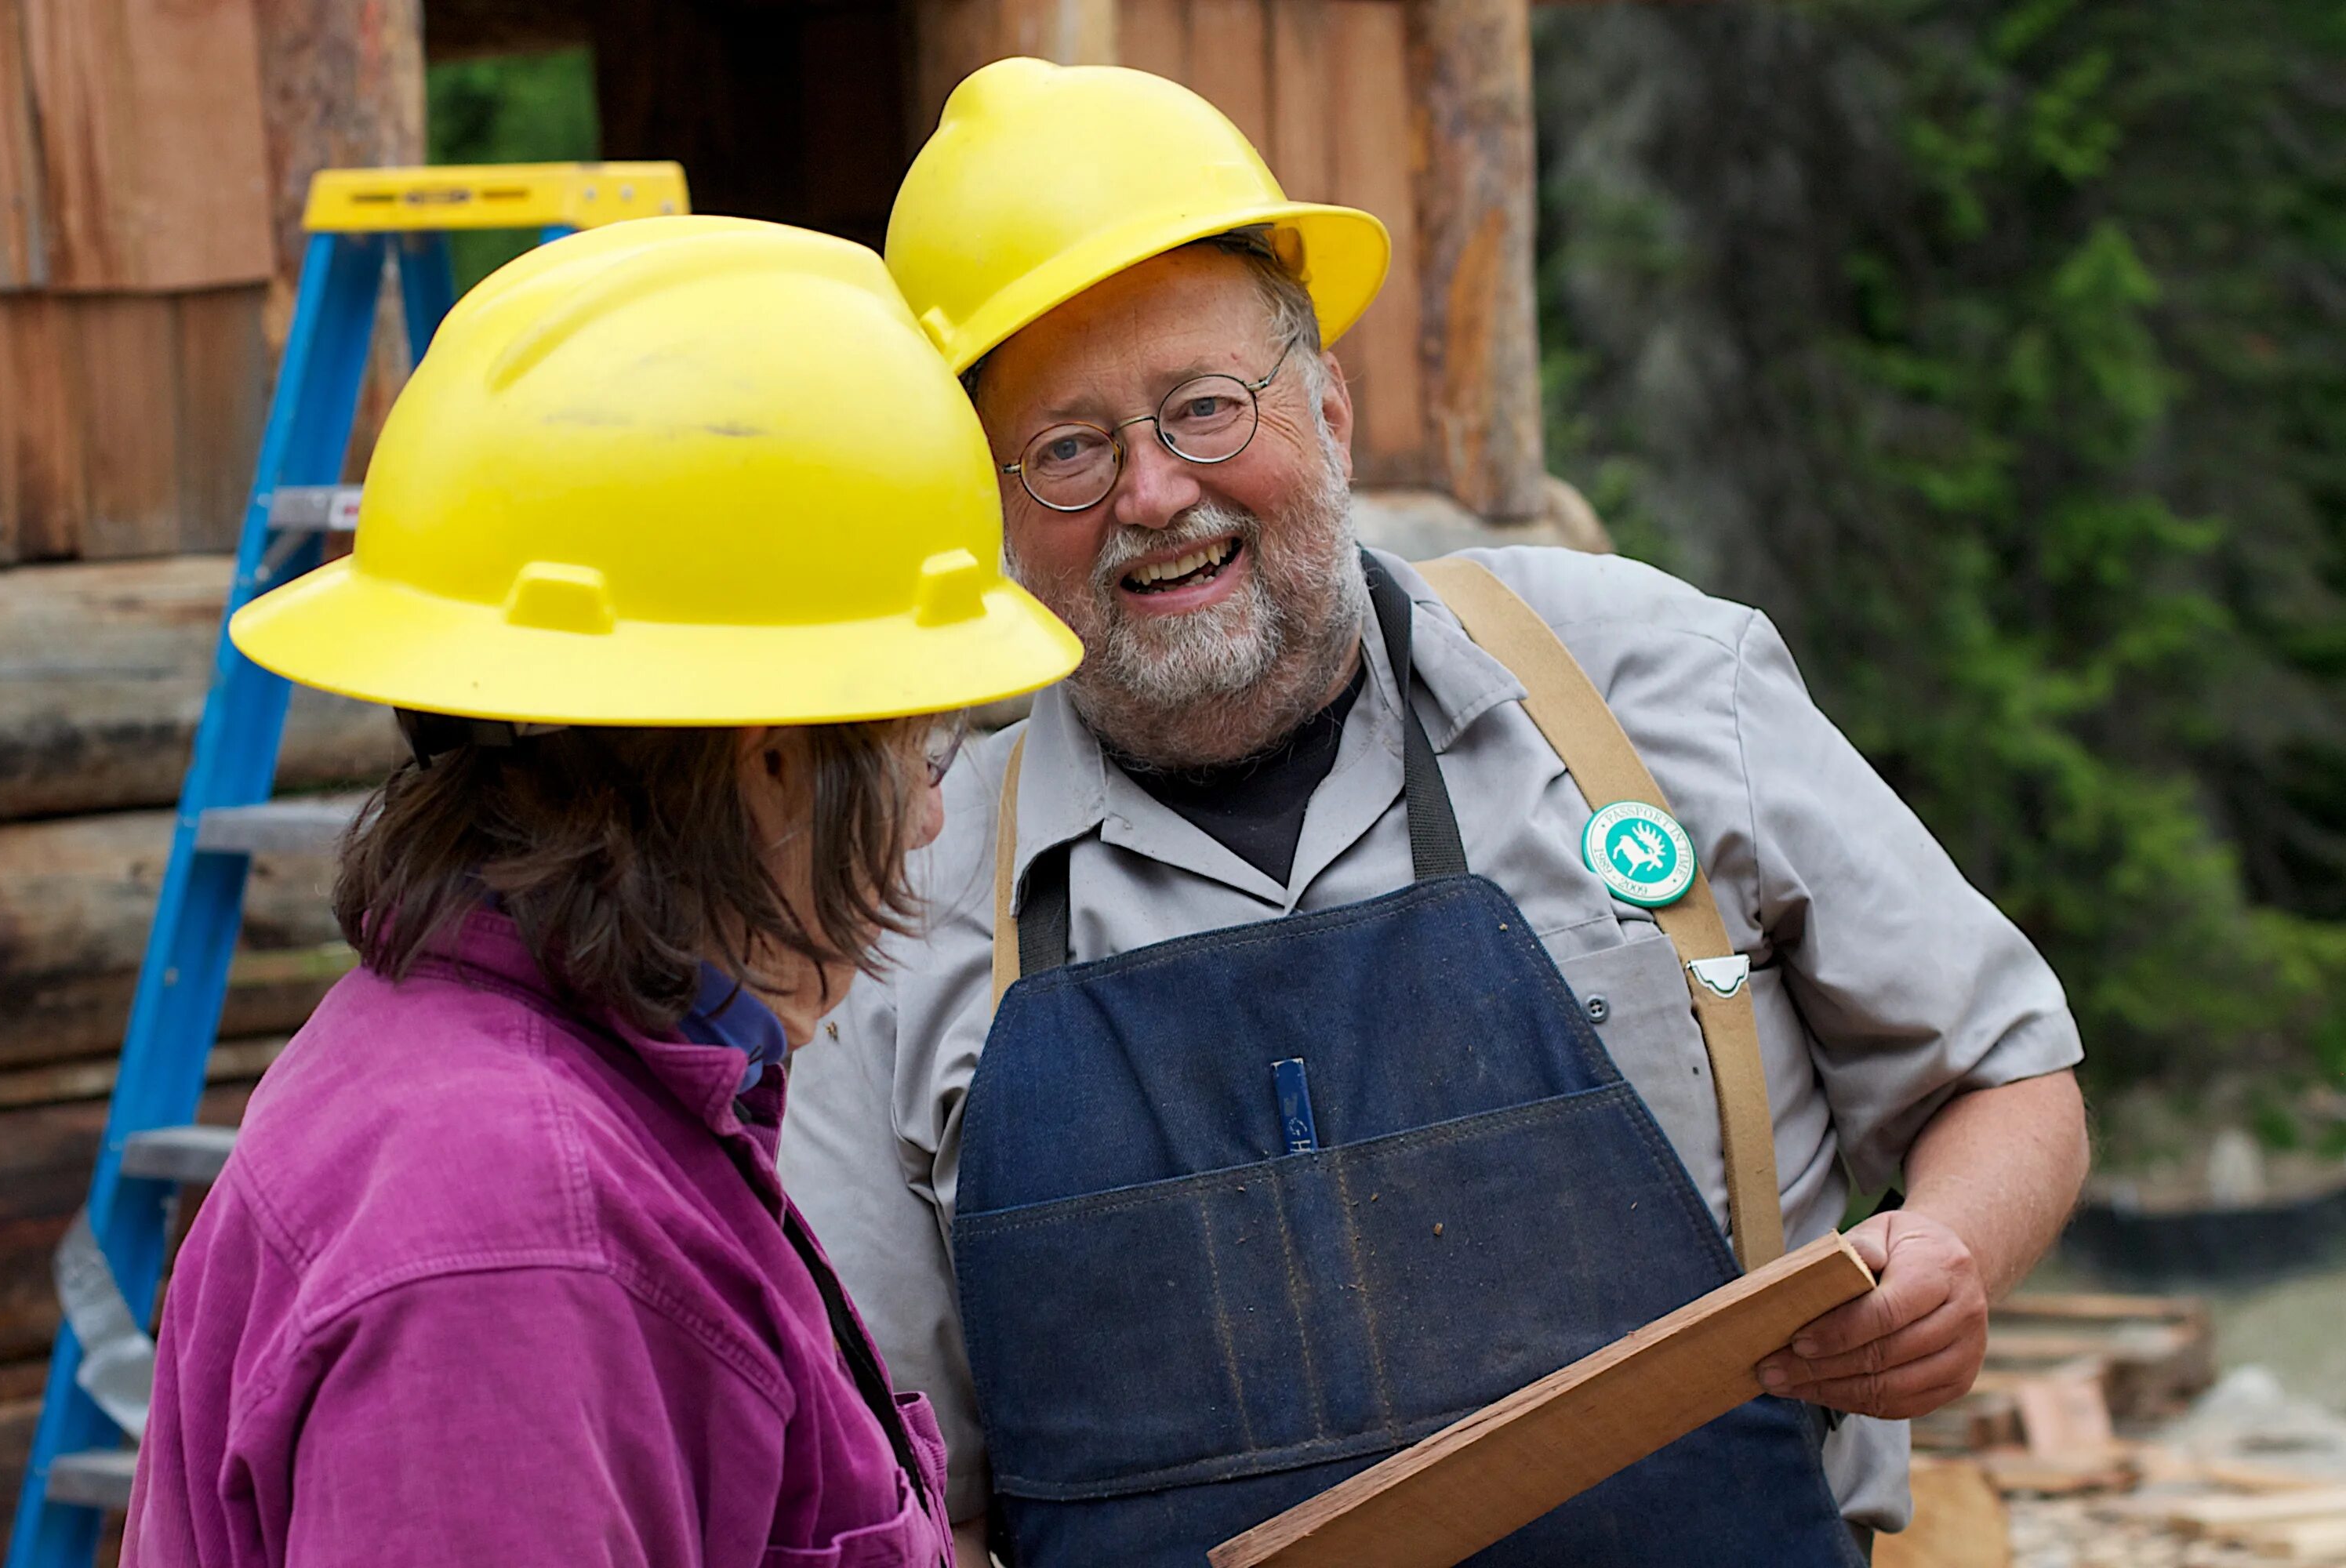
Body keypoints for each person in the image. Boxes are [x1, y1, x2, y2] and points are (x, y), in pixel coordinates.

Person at [780, 59, 2091, 1568]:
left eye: (1205, 409)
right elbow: (878, 1479)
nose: (1152, 492)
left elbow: (2002, 1073)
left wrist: (1948, 1252)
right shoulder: (912, 896)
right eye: (1067, 451)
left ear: (1330, 407)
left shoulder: (1651, 687)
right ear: (991, 512)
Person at [122, 216, 1080, 1567]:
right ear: (768, 768)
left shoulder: (553, 1096)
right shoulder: (515, 1250)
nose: (932, 813)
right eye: (919, 751)